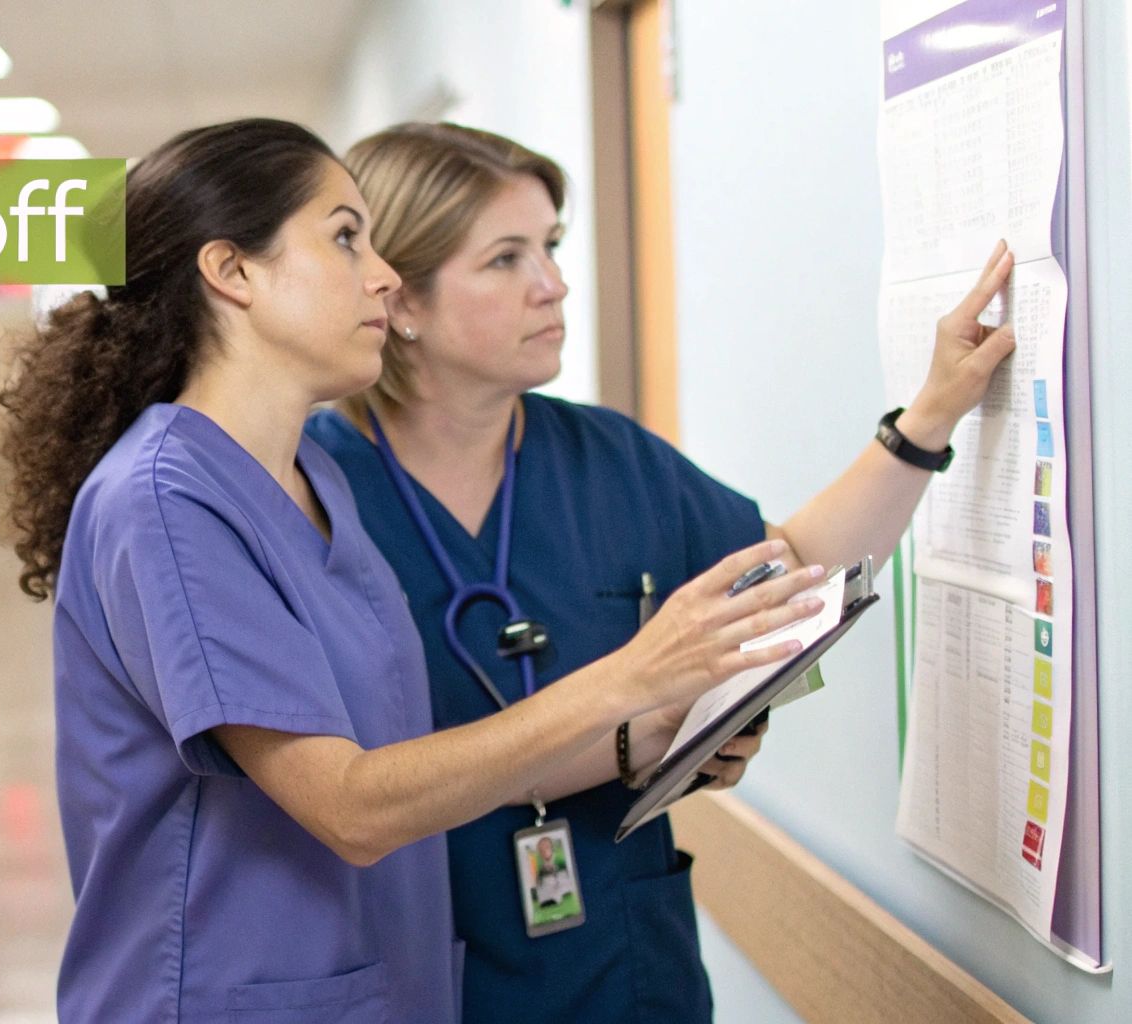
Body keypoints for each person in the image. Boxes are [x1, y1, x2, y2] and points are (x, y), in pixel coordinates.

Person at [0, 118, 826, 1023]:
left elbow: (421, 760)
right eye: (346, 238)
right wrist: (630, 675)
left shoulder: (313, 484)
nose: (385, 275)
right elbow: (350, 804)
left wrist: (644, 737)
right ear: (233, 272)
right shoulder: (164, 503)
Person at [306, 121, 1016, 1022]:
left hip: (625, 974)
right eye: (505, 260)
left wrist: (929, 416)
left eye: (552, 248)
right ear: (398, 298)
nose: (553, 284)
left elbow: (785, 572)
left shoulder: (608, 459)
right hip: (424, 973)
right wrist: (621, 736)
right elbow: (334, 786)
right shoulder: (310, 493)